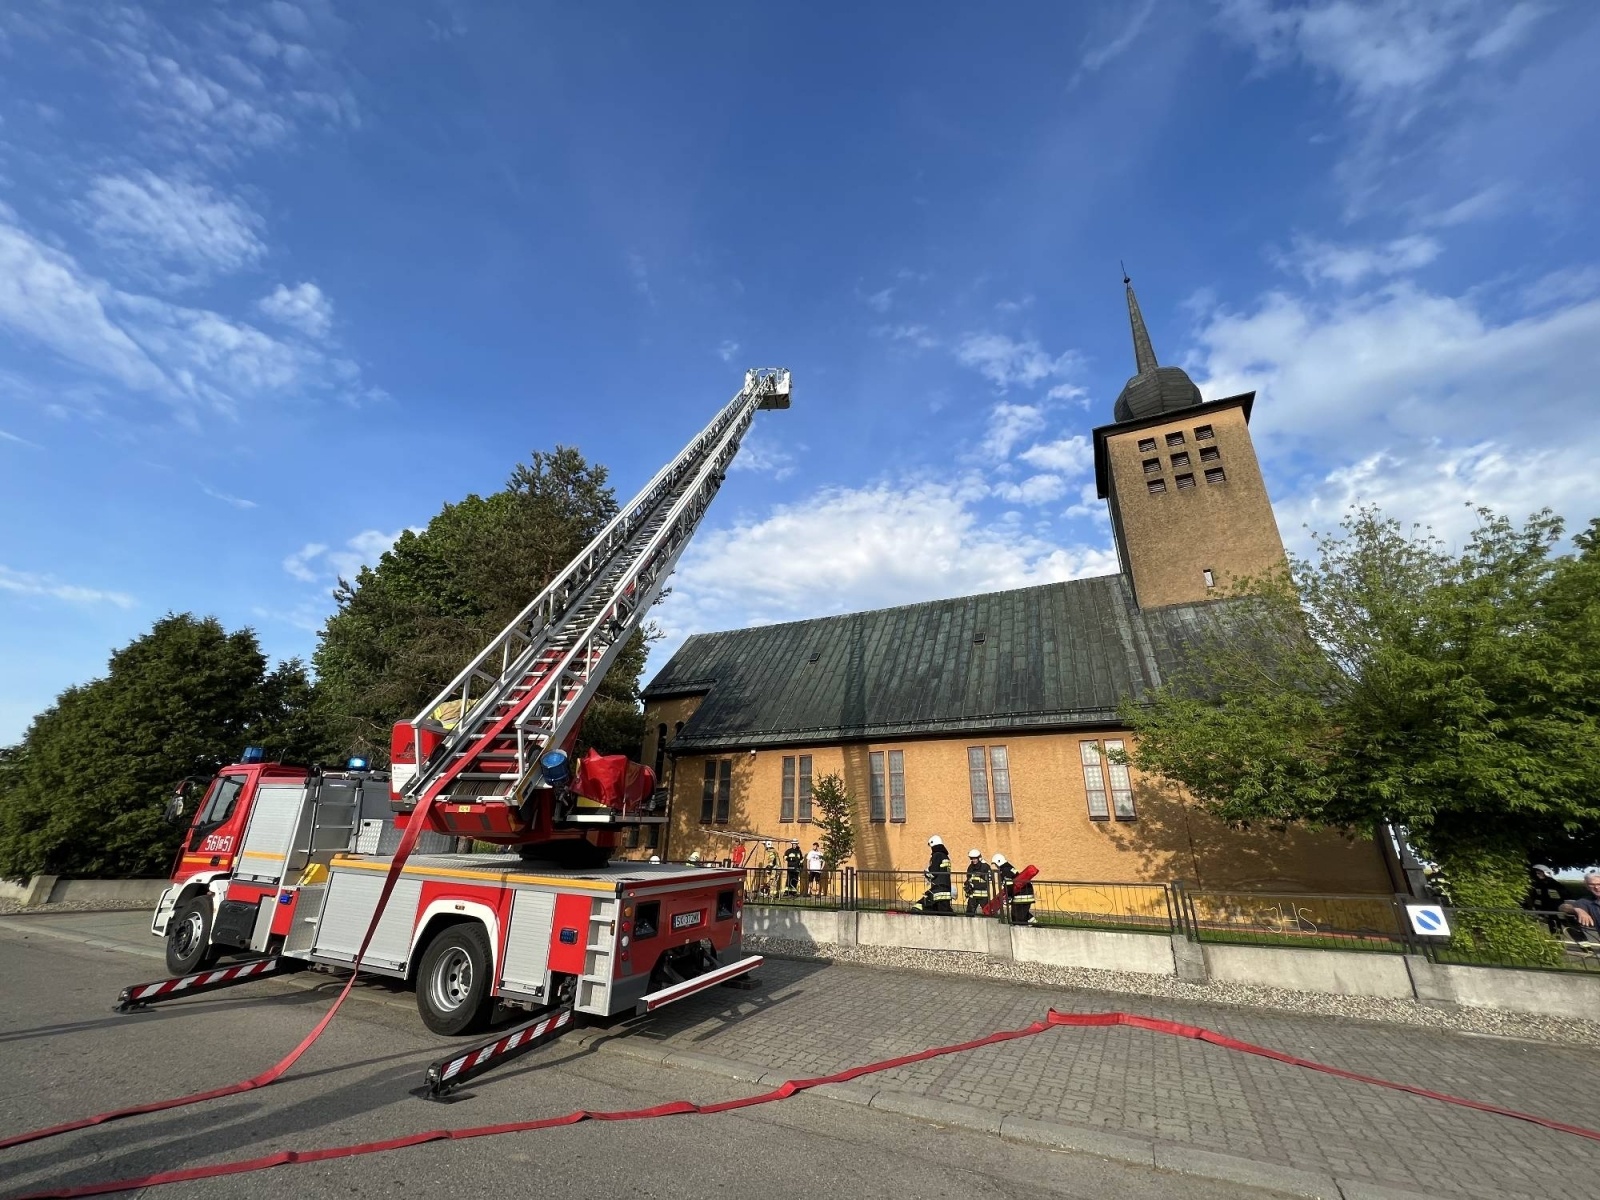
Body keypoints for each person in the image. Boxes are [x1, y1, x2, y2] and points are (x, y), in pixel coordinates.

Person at [914, 835, 955, 914]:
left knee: (921, 906)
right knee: (944, 912)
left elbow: (933, 872)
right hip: (946, 888)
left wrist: (927, 873)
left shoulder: (937, 855)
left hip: (937, 889)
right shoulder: (945, 856)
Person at [1558, 872, 1600, 947]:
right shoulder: (1586, 902)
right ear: (1587, 886)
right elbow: (1562, 907)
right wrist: (1577, 910)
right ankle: (1587, 949)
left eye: (1599, 884)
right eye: (1592, 884)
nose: (1596, 887)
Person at [993, 853, 1035, 925]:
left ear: (998, 862)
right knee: (1022, 913)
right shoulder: (1009, 867)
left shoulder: (1004, 870)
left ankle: (1023, 928)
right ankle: (1034, 924)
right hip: (1026, 892)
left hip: (1022, 895)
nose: (996, 866)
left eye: (995, 864)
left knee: (1017, 915)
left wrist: (1008, 897)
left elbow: (1009, 885)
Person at [1528, 864, 1565, 933]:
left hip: (1557, 909)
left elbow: (1565, 895)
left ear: (1545, 873)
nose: (1537, 875)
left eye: (1539, 873)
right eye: (1536, 873)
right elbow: (1535, 897)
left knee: (1567, 926)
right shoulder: (1538, 884)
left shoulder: (1554, 884)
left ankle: (1582, 941)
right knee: (1552, 927)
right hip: (1545, 910)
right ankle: (1556, 941)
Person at [963, 849, 993, 917]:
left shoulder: (985, 867)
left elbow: (989, 879)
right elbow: (968, 878)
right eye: (972, 858)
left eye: (975, 858)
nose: (973, 860)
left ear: (979, 858)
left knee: (987, 913)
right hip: (973, 895)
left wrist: (975, 884)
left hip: (983, 895)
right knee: (969, 914)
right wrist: (967, 885)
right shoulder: (970, 867)